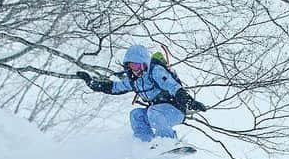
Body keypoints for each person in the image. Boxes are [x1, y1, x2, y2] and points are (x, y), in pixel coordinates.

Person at [75, 45, 207, 143]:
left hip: (175, 109)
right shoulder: (134, 81)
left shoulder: (155, 71)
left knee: (153, 111)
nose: (136, 70)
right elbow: (114, 87)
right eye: (132, 66)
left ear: (145, 64)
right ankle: (144, 145)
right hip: (157, 112)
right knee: (136, 115)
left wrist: (190, 102)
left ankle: (168, 142)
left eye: (138, 66)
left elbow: (173, 87)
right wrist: (91, 82)